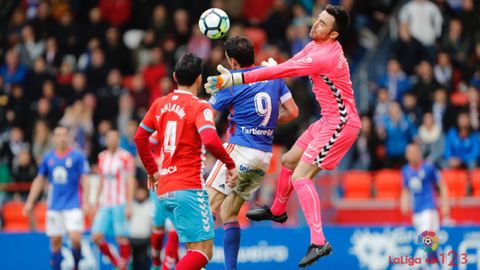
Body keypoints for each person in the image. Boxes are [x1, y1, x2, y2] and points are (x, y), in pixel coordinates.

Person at [205, 5, 362, 267]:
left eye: (322, 24)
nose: (315, 25)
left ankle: (318, 241)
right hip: (326, 120)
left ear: (333, 35)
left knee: (301, 176)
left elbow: (281, 73)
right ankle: (277, 211)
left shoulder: (325, 55)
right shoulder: (315, 45)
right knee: (289, 161)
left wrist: (236, 79)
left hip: (341, 123)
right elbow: (286, 67)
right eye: (318, 19)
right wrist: (275, 66)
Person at [134, 53, 238, 270]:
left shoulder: (159, 104)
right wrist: (229, 164)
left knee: (193, 251)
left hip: (164, 189)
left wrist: (153, 171)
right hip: (188, 188)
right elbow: (209, 139)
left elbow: (140, 137)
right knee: (204, 252)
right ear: (199, 79)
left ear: (174, 76)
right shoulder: (200, 107)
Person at [206, 36, 299, 270]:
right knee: (229, 211)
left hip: (239, 150)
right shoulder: (272, 75)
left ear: (233, 61)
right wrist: (263, 124)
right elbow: (294, 112)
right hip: (263, 157)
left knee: (206, 205)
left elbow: (207, 115)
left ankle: (197, 261)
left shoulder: (232, 83)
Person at [23, 126, 90, 270]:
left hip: (73, 204)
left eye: (64, 135)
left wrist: (86, 200)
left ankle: (76, 266)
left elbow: (85, 178)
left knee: (75, 239)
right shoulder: (48, 158)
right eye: (58, 135)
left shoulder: (77, 156)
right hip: (54, 205)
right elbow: (40, 180)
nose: (61, 138)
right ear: (53, 138)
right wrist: (29, 201)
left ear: (68, 137)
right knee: (55, 241)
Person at [91, 130, 136, 270]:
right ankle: (118, 264)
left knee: (121, 238)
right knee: (96, 237)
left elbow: (130, 181)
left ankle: (123, 265)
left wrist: (129, 205)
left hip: (120, 202)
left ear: (118, 140)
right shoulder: (102, 157)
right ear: (106, 140)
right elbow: (101, 180)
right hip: (105, 203)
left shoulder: (126, 157)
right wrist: (96, 201)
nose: (112, 141)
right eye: (109, 138)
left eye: (115, 138)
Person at [401, 144, 450, 234]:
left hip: (428, 209)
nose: (413, 155)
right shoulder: (406, 170)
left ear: (419, 153)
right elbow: (405, 188)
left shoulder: (428, 167)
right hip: (416, 211)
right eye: (410, 153)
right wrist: (404, 203)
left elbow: (442, 185)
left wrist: (445, 204)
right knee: (428, 243)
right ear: (406, 155)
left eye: (414, 152)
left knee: (427, 240)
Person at [149, 131, 180, 270]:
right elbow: (146, 148)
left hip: (179, 183)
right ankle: (156, 261)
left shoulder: (185, 130)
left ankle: (166, 267)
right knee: (158, 226)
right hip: (159, 184)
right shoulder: (159, 131)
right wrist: (155, 161)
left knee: (176, 228)